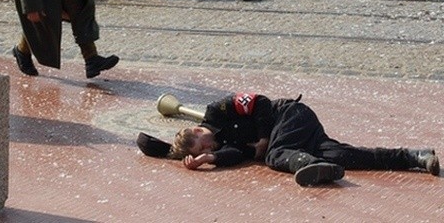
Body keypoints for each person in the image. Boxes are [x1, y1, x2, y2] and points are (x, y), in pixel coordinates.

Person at [137, 92, 439, 186]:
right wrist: (209, 159)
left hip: (289, 115)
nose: (210, 147)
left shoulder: (218, 110)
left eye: (205, 145)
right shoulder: (223, 146)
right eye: (206, 150)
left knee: (273, 156)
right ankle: (414, 157)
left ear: (200, 131)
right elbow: (236, 154)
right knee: (346, 156)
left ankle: (308, 166)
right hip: (296, 137)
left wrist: (265, 138)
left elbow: (261, 102)